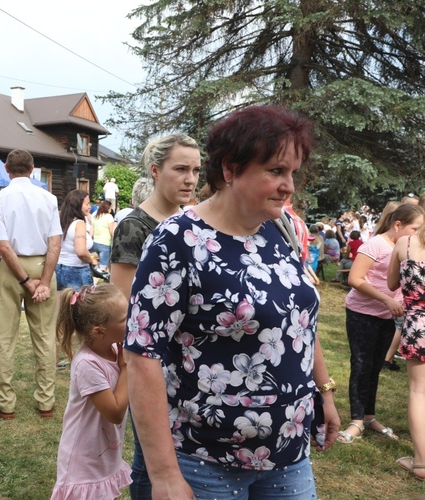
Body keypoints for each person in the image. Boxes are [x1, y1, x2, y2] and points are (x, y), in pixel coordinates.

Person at [125, 105, 340, 499]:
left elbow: (297, 323)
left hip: (289, 455)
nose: (288, 185)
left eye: (292, 172)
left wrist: (322, 391)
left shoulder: (280, 228)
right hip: (202, 458)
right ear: (230, 169)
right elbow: (142, 356)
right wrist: (164, 475)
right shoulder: (177, 239)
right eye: (276, 171)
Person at [109, 133, 201, 496]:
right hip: (153, 363)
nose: (190, 179)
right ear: (155, 170)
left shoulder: (193, 223)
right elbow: (123, 304)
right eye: (180, 169)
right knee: (151, 455)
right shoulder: (135, 227)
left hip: (192, 363)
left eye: (195, 170)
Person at [337, 203, 424, 444]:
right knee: (361, 365)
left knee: (375, 367)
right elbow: (355, 278)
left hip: (387, 316)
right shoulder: (376, 244)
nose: (417, 235)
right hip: (361, 313)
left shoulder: (408, 247)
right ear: (398, 225)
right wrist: (386, 299)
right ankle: (355, 420)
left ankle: (369, 416)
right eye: (415, 229)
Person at [0, 149, 62, 420]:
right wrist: (41, 281)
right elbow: (55, 243)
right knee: (44, 337)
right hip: (43, 265)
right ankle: (46, 402)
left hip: (11, 268)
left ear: (6, 169)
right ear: (33, 169)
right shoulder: (49, 198)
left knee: (4, 337)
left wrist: (26, 280)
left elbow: (4, 247)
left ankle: (5, 404)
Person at [51, 284, 131, 499]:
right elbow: (114, 413)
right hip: (82, 462)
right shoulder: (87, 364)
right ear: (99, 330)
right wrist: (125, 369)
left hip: (103, 454)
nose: (132, 319)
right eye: (124, 319)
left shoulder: (115, 349)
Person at [388, 218, 425, 480]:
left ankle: (421, 463)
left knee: (418, 391)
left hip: (417, 325)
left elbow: (392, 284)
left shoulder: (405, 243)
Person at [56, 190, 97, 290]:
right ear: (77, 205)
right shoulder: (79, 224)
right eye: (87, 204)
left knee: (62, 304)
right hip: (76, 271)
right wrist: (91, 260)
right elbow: (81, 252)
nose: (89, 207)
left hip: (58, 269)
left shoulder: (62, 220)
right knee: (82, 305)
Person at [91, 200, 116, 270]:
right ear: (107, 208)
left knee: (104, 266)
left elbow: (91, 231)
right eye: (110, 208)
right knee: (103, 267)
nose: (111, 210)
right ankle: (94, 281)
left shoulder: (96, 217)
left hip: (95, 243)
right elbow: (111, 231)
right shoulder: (109, 217)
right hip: (105, 244)